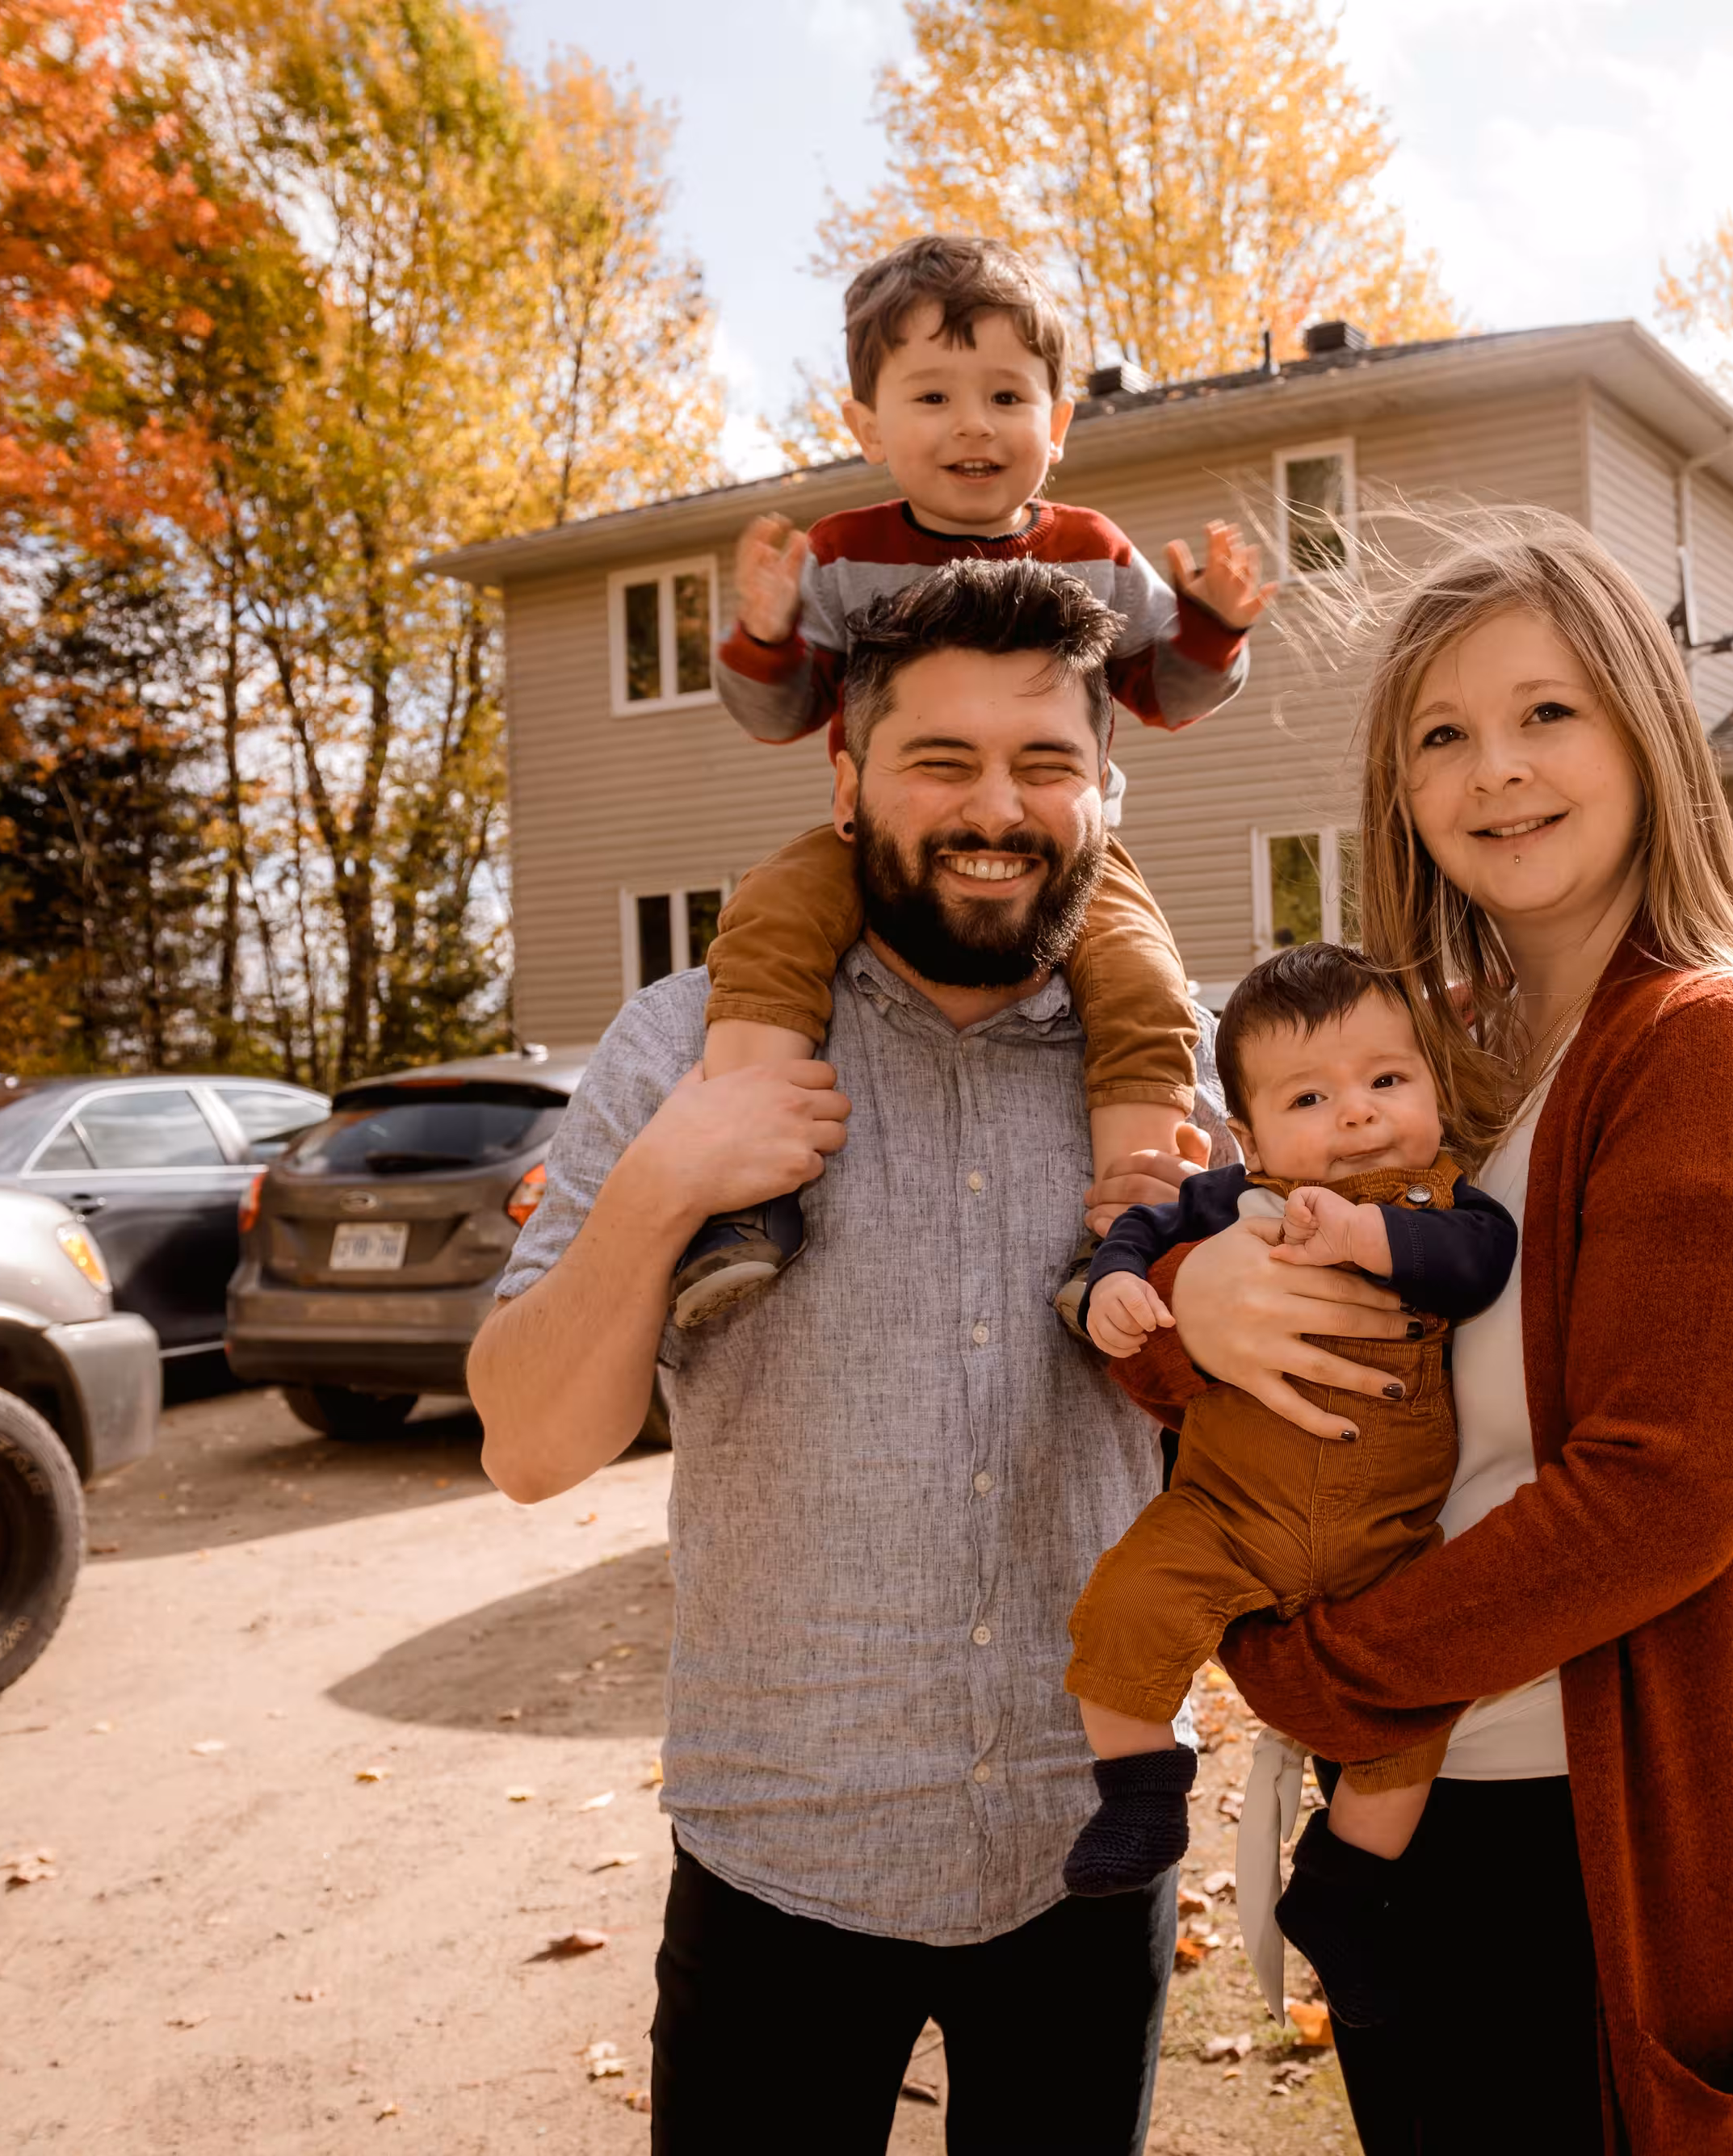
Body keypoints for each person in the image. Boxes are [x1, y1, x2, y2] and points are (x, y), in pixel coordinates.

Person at [1107, 514, 1733, 2154]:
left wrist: (1311, 1675)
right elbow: (1282, 1344)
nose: (1494, 771)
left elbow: (1657, 1494)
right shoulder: (1442, 1075)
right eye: (1443, 734)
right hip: (1439, 1833)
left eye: (1545, 715)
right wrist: (1195, 1301)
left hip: (1584, 1851)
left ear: (1645, 731)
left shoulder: (1710, 1047)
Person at [467, 558, 1241, 2153]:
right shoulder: (685, 1043)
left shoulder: (1179, 1090)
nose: (995, 809)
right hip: (779, 1852)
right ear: (843, 777)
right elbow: (529, 1449)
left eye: (1042, 764)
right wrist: (671, 1178)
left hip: (1088, 1844)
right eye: (939, 761)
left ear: (1106, 784)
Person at [670, 232, 1269, 1329]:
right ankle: (743, 1199)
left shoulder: (1091, 546)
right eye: (933, 395)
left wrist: (1216, 626)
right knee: (768, 921)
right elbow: (782, 711)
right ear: (865, 426)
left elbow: (1161, 691)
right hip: (876, 844)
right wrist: (765, 634)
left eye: (1006, 393)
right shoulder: (845, 556)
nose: (974, 424)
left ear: (1060, 420)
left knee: (1142, 982)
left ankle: (1131, 1232)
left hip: (1068, 861)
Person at [1061, 942, 1515, 2030]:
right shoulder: (1232, 1199)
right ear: (1251, 1136)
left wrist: (1370, 1232)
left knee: (1415, 1719)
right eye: (1312, 1096)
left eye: (1386, 1081)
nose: (1357, 1115)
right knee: (1121, 1606)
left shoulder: (1450, 1202)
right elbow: (1141, 1226)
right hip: (1228, 1516)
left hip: (1388, 1542)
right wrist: (1116, 1283)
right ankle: (1141, 1790)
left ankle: (1345, 1889)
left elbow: (1479, 1264)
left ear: (1434, 1090)